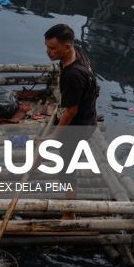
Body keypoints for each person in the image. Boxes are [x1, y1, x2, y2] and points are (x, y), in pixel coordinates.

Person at [42, 24, 99, 218]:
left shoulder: (73, 75)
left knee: (66, 170)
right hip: (86, 114)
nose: (48, 52)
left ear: (67, 47)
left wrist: (55, 134)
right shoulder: (77, 52)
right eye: (47, 47)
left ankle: (70, 212)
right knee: (44, 143)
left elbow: (71, 111)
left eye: (52, 48)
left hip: (78, 127)